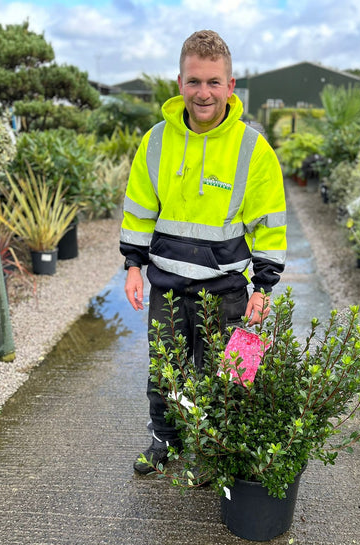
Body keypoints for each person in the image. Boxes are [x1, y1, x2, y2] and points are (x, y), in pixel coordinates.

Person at [120, 29, 287, 473]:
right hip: (167, 289)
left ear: (231, 87)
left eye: (214, 81)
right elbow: (138, 210)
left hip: (228, 288)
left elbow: (269, 224)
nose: (203, 92)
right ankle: (165, 444)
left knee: (233, 378)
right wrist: (133, 265)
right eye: (194, 81)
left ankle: (223, 452)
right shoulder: (156, 141)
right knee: (165, 374)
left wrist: (263, 287)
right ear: (179, 83)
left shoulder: (254, 149)